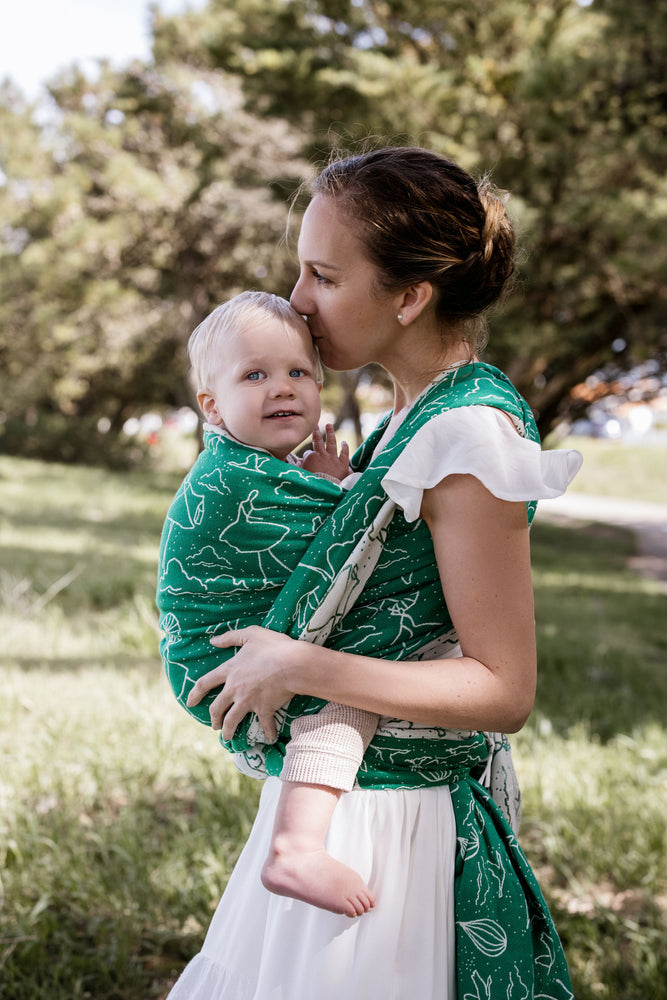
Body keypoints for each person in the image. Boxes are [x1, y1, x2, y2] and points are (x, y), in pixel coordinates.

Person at [166, 147, 583, 1000]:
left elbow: (503, 688)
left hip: (388, 827)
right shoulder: (406, 416)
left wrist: (297, 664)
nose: (296, 301)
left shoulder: (467, 441)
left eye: (322, 274)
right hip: (341, 793)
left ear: (408, 295)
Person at [157, 290, 381, 918]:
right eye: (254, 374)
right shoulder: (232, 475)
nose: (282, 387)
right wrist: (342, 492)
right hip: (218, 655)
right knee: (348, 689)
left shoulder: (264, 466)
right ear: (213, 406)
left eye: (298, 372)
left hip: (231, 642)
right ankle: (296, 846)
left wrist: (323, 482)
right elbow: (346, 540)